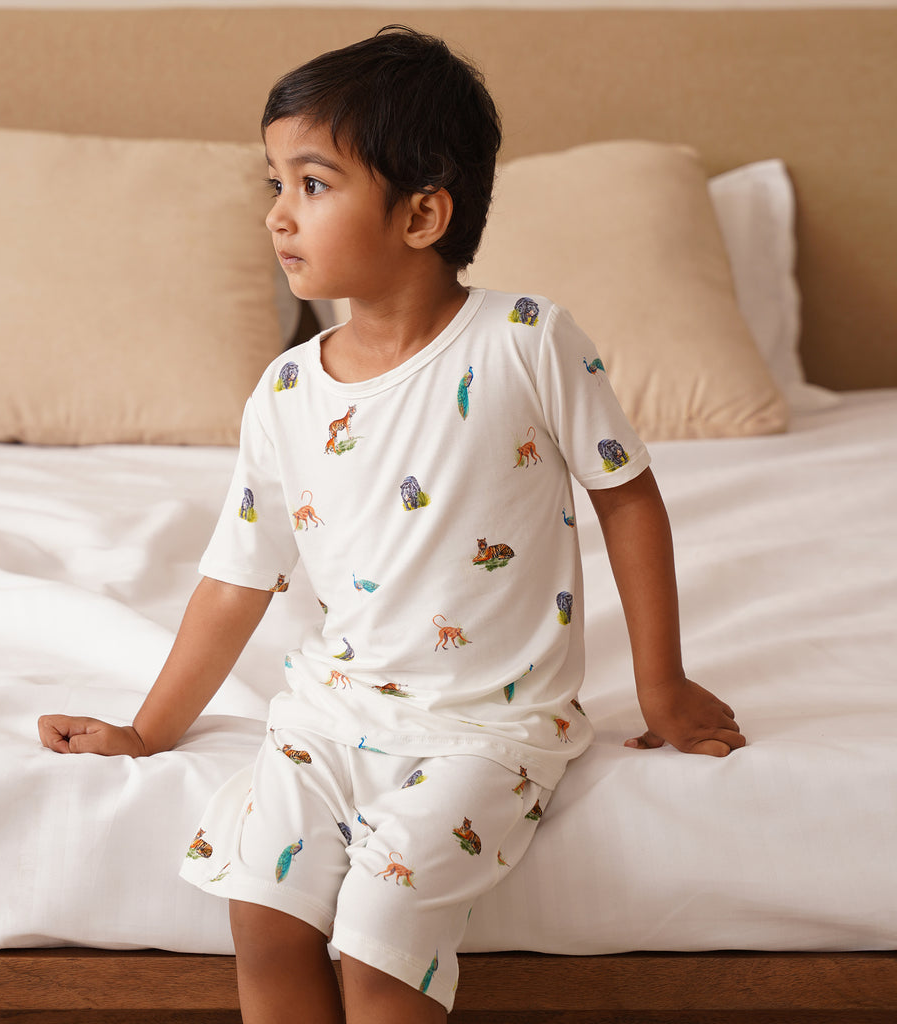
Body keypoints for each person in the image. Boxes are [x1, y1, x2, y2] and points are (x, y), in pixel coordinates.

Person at [38, 25, 744, 1023]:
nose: (279, 216)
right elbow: (239, 574)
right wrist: (147, 730)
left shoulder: (526, 341)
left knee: (380, 925)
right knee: (263, 909)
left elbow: (625, 496)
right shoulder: (285, 390)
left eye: (313, 184)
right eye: (273, 184)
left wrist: (660, 686)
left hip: (488, 731)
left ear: (422, 213)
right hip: (330, 718)